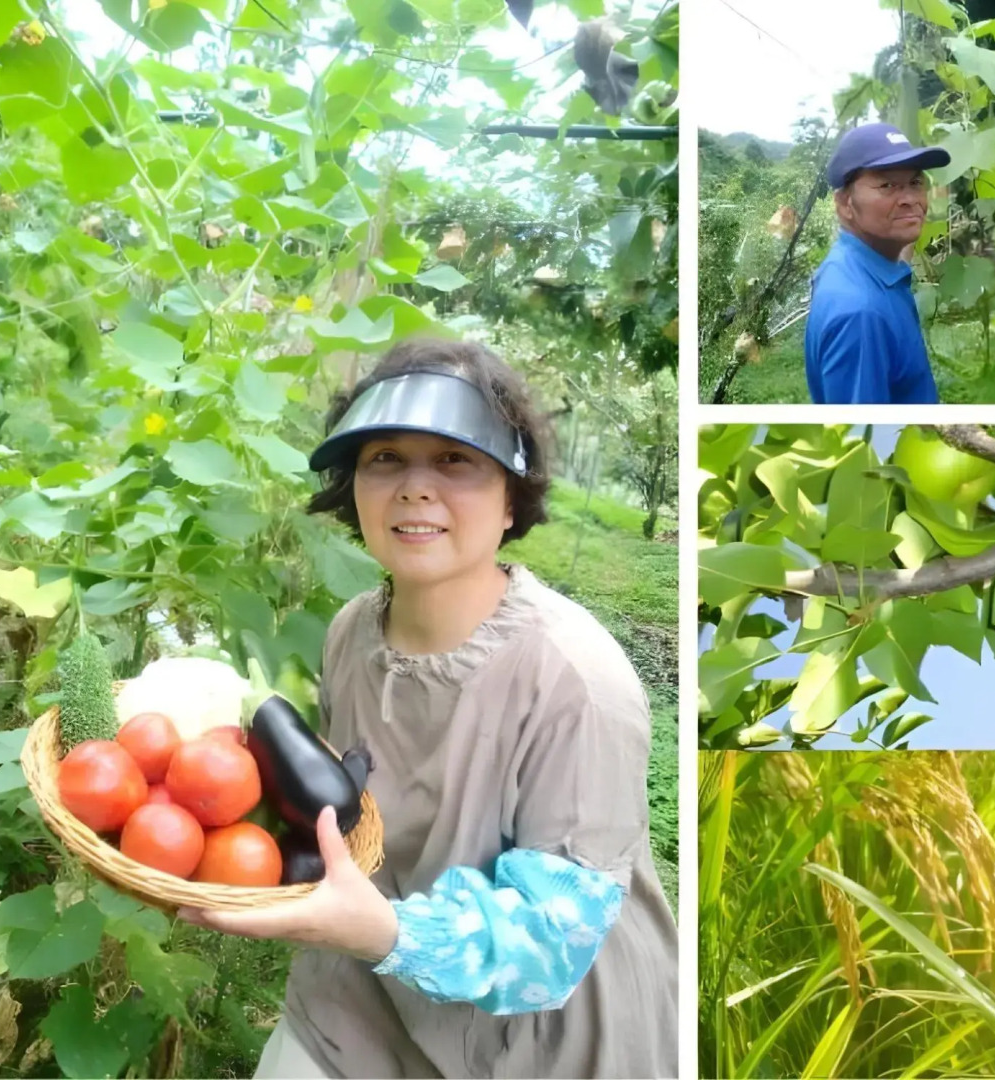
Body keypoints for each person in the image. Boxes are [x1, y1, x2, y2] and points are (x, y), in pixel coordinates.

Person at [177, 339, 679, 1078]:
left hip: (534, 1040)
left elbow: (551, 943)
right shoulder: (353, 630)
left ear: (511, 498)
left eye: (455, 459)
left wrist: (386, 933)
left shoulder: (576, 681)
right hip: (358, 998)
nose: (415, 487)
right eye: (385, 458)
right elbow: (342, 816)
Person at [804, 123, 952, 404]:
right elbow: (863, 430)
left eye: (915, 183)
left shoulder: (857, 267)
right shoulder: (860, 313)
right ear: (845, 204)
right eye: (887, 186)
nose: (910, 200)